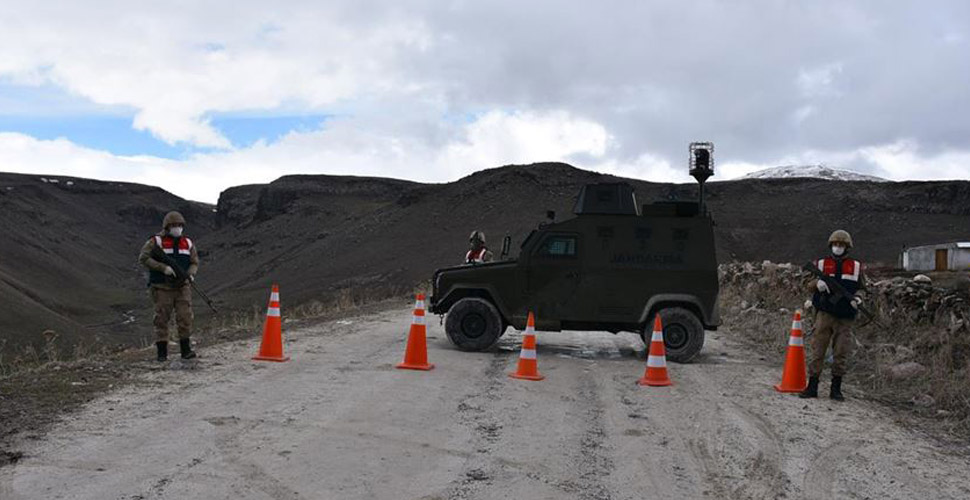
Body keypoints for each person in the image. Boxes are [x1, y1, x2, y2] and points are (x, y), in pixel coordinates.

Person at [800, 229, 865, 401]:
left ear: (847, 247)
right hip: (824, 313)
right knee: (818, 350)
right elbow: (806, 283)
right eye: (835, 244)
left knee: (841, 351)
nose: (838, 247)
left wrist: (858, 298)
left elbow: (863, 288)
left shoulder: (856, 266)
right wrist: (817, 283)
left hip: (845, 316)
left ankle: (836, 389)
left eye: (841, 245)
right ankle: (812, 386)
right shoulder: (820, 264)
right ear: (831, 245)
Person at [138, 211, 199, 361]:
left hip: (182, 286)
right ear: (167, 226)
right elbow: (144, 258)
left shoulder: (188, 243)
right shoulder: (156, 242)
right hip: (162, 287)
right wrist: (163, 268)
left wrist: (190, 274)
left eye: (179, 225)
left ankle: (186, 351)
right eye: (173, 225)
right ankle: (162, 354)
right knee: (161, 319)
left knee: (185, 317)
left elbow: (194, 262)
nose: (177, 228)